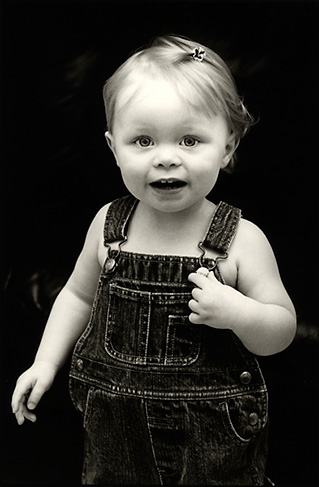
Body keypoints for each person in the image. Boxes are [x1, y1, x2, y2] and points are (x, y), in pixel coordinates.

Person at [11, 35, 296, 485]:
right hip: (114, 431)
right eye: (142, 141)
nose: (166, 158)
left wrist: (239, 313)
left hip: (212, 435)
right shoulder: (109, 225)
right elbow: (76, 296)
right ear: (113, 147)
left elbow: (281, 329)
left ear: (227, 146)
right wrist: (45, 363)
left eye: (190, 140)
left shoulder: (242, 240)